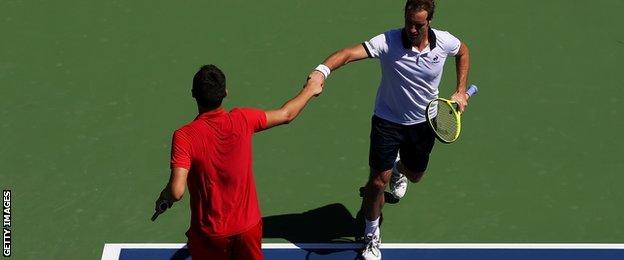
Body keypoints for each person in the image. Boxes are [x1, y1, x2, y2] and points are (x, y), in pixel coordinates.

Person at [307, 0, 470, 259]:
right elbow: (348, 53)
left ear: (429, 22)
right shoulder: (388, 41)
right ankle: (371, 235)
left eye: (418, 25)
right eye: (409, 23)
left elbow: (463, 51)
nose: (412, 30)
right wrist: (322, 71)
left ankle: (398, 168)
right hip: (387, 121)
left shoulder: (444, 42)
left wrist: (461, 90)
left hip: (424, 122)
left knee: (415, 175)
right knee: (375, 183)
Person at [154, 64, 323, 259]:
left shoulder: (185, 136)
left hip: (210, 235)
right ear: (225, 92)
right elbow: (286, 114)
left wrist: (164, 197)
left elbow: (176, 192)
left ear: (193, 94)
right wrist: (310, 89)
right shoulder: (243, 119)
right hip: (247, 229)